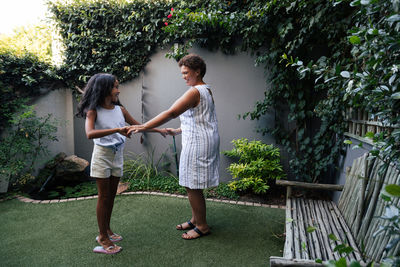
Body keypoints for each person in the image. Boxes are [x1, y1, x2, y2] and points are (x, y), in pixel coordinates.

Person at [128, 54, 220, 240]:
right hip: (200, 139)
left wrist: (144, 126)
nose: (183, 76)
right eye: (182, 73)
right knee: (190, 182)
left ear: (197, 71)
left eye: (186, 73)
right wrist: (178, 130)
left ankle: (202, 226)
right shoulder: (206, 90)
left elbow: (171, 112)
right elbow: (201, 119)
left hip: (198, 143)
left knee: (192, 184)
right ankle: (196, 219)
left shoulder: (195, 92)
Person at [76, 73, 166, 254]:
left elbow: (138, 126)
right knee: (103, 196)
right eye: (115, 87)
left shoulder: (120, 109)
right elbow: (89, 133)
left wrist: (161, 129)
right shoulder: (93, 110)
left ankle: (107, 230)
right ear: (104, 89)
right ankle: (102, 236)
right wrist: (118, 129)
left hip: (117, 155)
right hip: (102, 155)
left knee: (111, 195)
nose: (118, 90)